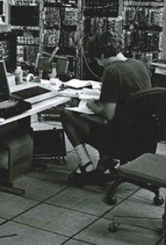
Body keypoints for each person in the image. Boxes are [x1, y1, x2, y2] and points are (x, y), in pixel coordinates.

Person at [61, 31, 151, 186]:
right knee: (96, 118)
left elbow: (108, 114)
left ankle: (86, 165)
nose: (98, 63)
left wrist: (90, 104)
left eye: (97, 59)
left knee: (67, 113)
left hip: (120, 139)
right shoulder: (138, 64)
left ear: (102, 54)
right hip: (143, 136)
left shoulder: (111, 71)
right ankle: (106, 161)